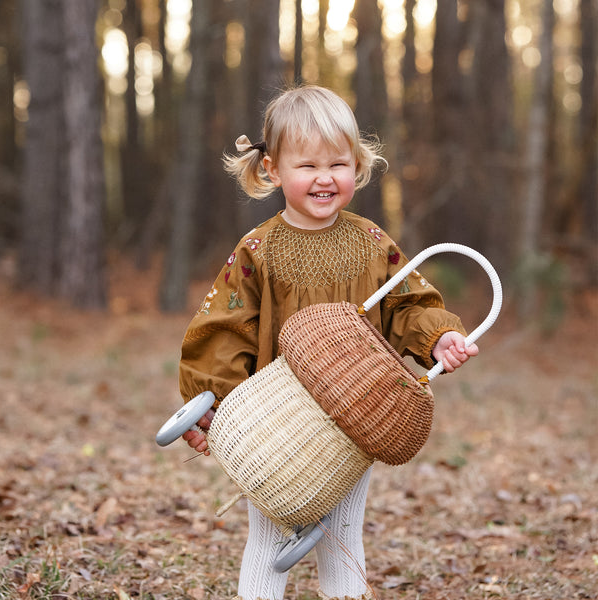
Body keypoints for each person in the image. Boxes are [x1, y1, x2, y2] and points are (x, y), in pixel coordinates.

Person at [179, 85, 478, 600]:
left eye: (338, 163)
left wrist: (439, 337)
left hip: (352, 425)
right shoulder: (257, 250)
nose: (324, 177)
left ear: (357, 167)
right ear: (273, 170)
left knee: (341, 536)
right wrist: (211, 406)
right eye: (307, 165)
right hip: (274, 426)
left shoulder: (372, 243)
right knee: (269, 540)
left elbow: (408, 302)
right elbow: (224, 331)